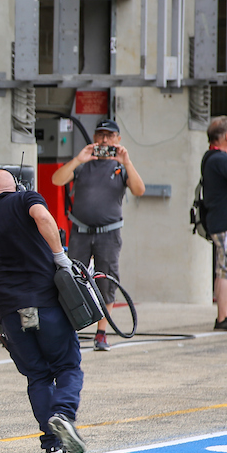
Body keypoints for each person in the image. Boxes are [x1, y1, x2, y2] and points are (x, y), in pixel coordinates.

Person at [0, 170, 87, 453]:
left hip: (11, 311)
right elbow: (44, 217)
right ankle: (63, 414)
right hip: (46, 303)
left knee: (37, 375)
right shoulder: (26, 198)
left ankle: (52, 443)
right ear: (17, 187)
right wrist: (59, 255)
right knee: (67, 366)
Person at [51, 119, 145, 351]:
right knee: (72, 280)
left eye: (109, 136)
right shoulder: (83, 165)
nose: (104, 140)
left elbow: (139, 190)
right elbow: (57, 180)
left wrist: (127, 162)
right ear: (94, 137)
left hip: (109, 233)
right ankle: (69, 331)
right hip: (80, 231)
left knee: (106, 281)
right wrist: (78, 159)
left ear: (117, 140)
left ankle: (101, 333)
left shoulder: (121, 167)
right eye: (100, 135)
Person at [201, 115, 227, 330]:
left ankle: (222, 316)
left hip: (217, 222)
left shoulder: (210, 157)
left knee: (222, 270)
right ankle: (222, 318)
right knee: (226, 270)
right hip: (223, 223)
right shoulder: (220, 160)